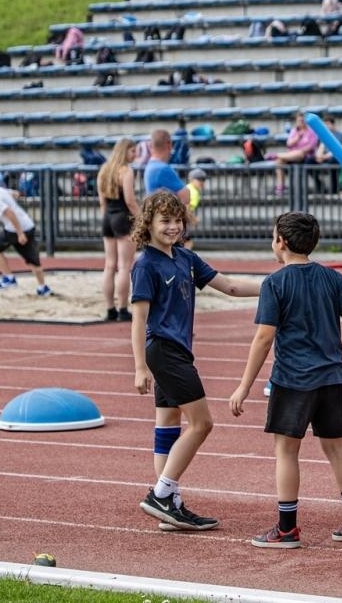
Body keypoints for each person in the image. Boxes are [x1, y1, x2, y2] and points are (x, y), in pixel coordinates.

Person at [226, 212, 342, 548]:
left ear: (281, 242)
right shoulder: (331, 279)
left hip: (293, 379)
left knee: (286, 451)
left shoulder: (274, 284)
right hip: (332, 377)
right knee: (338, 447)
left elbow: (263, 339)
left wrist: (244, 386)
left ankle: (287, 528)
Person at [130, 191, 262, 531]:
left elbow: (230, 287)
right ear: (148, 224)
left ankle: (168, 505)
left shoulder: (185, 258)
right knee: (202, 424)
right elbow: (138, 319)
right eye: (165, 221)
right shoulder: (145, 264)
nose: (173, 227)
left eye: (177, 220)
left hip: (178, 351)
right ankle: (162, 493)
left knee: (168, 424)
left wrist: (273, 286)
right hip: (163, 352)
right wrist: (140, 367)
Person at [97, 138, 141, 322]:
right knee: (124, 266)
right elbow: (130, 201)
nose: (135, 154)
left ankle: (110, 308)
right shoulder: (126, 171)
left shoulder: (104, 170)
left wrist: (108, 217)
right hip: (123, 217)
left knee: (109, 265)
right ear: (124, 152)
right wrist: (142, 218)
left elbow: (102, 202)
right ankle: (123, 308)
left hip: (108, 217)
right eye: (132, 151)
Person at [144, 129, 191, 245]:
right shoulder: (162, 169)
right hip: (167, 224)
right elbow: (186, 197)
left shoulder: (150, 166)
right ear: (169, 144)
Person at [272, 114, 320, 196]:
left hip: (305, 156)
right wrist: (297, 138)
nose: (300, 122)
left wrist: (297, 151)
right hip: (291, 155)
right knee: (279, 162)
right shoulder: (294, 131)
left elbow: (310, 147)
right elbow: (289, 144)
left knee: (299, 153)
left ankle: (275, 155)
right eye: (299, 121)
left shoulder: (311, 132)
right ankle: (281, 186)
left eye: (302, 120)